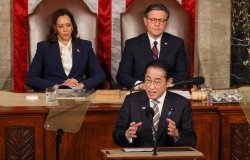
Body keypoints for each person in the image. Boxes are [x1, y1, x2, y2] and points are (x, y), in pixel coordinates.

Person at [113, 59, 196, 147]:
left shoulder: (181, 104)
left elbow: (192, 141)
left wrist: (177, 134)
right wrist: (127, 134)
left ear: (169, 82)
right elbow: (116, 135)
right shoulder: (131, 101)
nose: (151, 87)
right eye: (148, 80)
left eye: (157, 82)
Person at [26, 8, 105, 90]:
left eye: (68, 25)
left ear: (73, 27)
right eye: (60, 26)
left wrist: (81, 85)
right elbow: (31, 78)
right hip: (53, 95)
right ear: (55, 29)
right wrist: (56, 86)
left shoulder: (85, 46)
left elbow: (100, 74)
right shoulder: (44, 47)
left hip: (78, 94)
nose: (65, 30)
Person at [116, 3, 189, 90]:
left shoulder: (177, 43)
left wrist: (165, 86)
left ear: (167, 23)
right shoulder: (132, 44)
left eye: (161, 20)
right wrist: (140, 85)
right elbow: (122, 76)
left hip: (168, 93)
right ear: (145, 21)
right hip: (141, 93)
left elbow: (183, 75)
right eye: (153, 19)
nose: (157, 24)